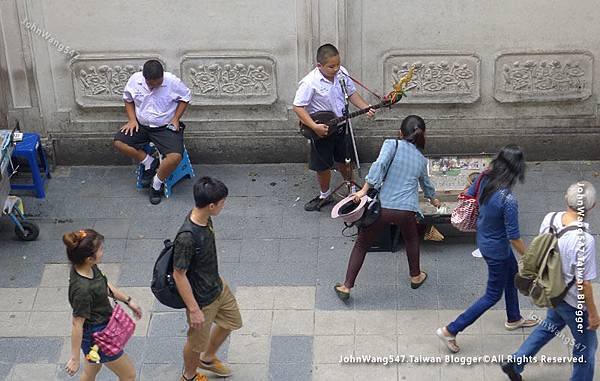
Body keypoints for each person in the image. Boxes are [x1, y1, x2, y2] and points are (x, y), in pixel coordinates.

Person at [436, 145, 537, 353]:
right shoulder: (508, 200)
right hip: (497, 249)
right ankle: (451, 330)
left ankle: (514, 317)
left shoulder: (483, 176)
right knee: (492, 295)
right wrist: (530, 257)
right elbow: (514, 237)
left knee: (511, 275)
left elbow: (467, 193)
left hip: (484, 238)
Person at [333, 115, 441, 300]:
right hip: (407, 209)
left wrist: (364, 190)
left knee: (362, 244)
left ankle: (346, 286)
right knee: (411, 239)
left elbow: (380, 165)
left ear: (400, 133)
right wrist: (433, 200)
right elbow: (426, 184)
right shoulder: (421, 160)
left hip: (384, 207)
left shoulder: (392, 144)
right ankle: (415, 276)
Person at [501, 181, 598, 381]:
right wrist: (593, 314)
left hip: (550, 290)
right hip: (573, 302)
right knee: (586, 347)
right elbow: (584, 283)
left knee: (550, 325)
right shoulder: (585, 241)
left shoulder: (550, 218)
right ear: (592, 206)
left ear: (566, 198)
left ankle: (516, 362)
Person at [173, 177, 243, 381]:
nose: (224, 205)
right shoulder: (187, 237)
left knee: (232, 322)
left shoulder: (205, 218)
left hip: (217, 287)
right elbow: (179, 275)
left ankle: (209, 359)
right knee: (196, 344)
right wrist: (194, 309)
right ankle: (189, 376)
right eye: (222, 202)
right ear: (211, 206)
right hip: (202, 300)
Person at [293, 43, 375, 211]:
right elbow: (298, 107)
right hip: (321, 131)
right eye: (331, 66)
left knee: (345, 160)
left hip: (341, 125)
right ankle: (325, 195)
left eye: (338, 64)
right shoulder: (310, 83)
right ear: (319, 66)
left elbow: (351, 93)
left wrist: (365, 107)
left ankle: (352, 190)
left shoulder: (342, 73)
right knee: (322, 166)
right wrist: (314, 127)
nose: (336, 68)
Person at [63, 229, 142, 381]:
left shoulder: (87, 267)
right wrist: (74, 358)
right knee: (129, 375)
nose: (103, 252)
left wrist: (128, 300)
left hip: (99, 332)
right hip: (98, 337)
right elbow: (77, 324)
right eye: (100, 249)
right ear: (89, 258)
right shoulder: (82, 290)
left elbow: (103, 285)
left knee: (91, 372)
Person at [114, 59, 191, 205]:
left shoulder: (172, 82)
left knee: (175, 156)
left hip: (164, 127)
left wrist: (176, 118)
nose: (154, 86)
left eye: (158, 83)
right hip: (141, 125)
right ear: (144, 78)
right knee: (119, 142)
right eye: (151, 84)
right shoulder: (135, 80)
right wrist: (132, 120)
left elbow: (185, 97)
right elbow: (128, 99)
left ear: (163, 76)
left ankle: (156, 184)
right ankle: (149, 162)